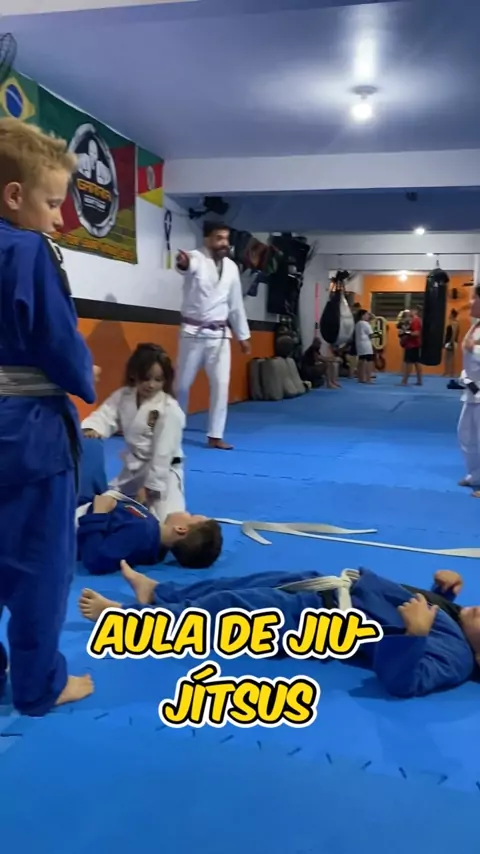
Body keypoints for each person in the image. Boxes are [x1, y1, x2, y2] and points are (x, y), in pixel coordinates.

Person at [0, 118, 97, 715]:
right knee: (39, 564)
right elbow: (60, 346)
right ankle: (39, 686)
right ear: (14, 195)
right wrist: (85, 377)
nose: (59, 220)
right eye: (53, 203)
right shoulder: (27, 250)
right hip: (27, 433)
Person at [79, 564, 480, 698]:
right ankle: (158, 592)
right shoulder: (456, 624)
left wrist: (415, 636)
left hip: (318, 621)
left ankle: (130, 620)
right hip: (327, 588)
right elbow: (410, 605)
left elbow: (405, 681)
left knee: (229, 607)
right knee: (235, 583)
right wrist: (441, 592)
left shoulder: (458, 659)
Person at [81, 345, 185, 521]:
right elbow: (106, 415)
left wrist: (150, 487)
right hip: (133, 470)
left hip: (163, 472)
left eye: (158, 379)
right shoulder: (124, 396)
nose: (151, 385)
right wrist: (93, 428)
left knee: (166, 522)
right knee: (103, 505)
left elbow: (163, 453)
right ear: (134, 374)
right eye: (146, 378)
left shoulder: (169, 409)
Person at [175, 221, 251, 451]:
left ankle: (215, 435)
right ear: (207, 239)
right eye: (219, 238)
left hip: (219, 337)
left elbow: (235, 304)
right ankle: (173, 428)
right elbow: (186, 265)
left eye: (226, 239)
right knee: (181, 385)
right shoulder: (195, 258)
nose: (224, 243)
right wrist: (183, 262)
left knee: (221, 385)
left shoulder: (232, 268)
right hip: (193, 335)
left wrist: (243, 335)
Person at [76, 491, 223, 574]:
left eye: (190, 515)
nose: (186, 512)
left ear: (181, 529)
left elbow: (95, 561)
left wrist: (98, 513)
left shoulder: (142, 532)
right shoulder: (154, 541)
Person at [458, 286, 480, 496]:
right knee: (466, 435)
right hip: (472, 391)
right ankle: (475, 474)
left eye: (475, 298)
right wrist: (465, 379)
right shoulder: (475, 326)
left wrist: (476, 349)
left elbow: (474, 353)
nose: (470, 302)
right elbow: (468, 360)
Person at [401, 305, 423, 386]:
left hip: (412, 345)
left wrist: (406, 333)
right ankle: (419, 381)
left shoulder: (416, 321)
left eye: (411, 310)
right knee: (416, 362)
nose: (410, 312)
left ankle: (404, 381)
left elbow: (416, 333)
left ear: (415, 311)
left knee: (408, 363)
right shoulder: (414, 320)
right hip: (413, 344)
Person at [354, 309, 375, 384]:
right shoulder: (365, 323)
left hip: (359, 344)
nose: (368, 316)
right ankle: (369, 378)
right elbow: (371, 335)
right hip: (366, 344)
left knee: (361, 360)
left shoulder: (357, 323)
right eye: (367, 314)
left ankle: (360, 378)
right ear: (362, 316)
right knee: (369, 361)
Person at [443, 308, 460, 378]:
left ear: (452, 315)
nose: (449, 315)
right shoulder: (451, 322)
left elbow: (454, 333)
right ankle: (447, 372)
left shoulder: (455, 323)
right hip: (449, 341)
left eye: (450, 314)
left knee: (450, 357)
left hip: (452, 342)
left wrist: (451, 342)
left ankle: (451, 373)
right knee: (447, 357)